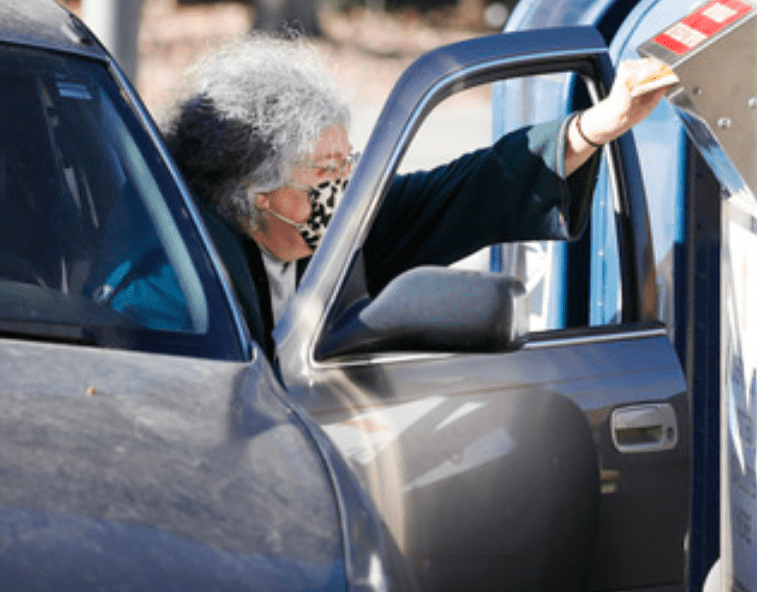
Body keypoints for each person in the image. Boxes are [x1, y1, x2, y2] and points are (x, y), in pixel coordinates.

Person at [162, 34, 669, 358]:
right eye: (325, 172)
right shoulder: (183, 288)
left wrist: (596, 126)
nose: (343, 188)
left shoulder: (337, 232)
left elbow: (472, 189)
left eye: (348, 164)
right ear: (259, 197)